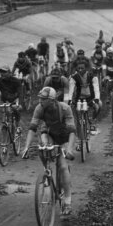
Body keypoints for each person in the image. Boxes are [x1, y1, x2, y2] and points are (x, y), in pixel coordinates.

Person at [22, 87, 76, 215]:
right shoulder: (39, 108)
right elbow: (32, 128)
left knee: (62, 167)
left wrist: (69, 149)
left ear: (52, 100)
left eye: (43, 99)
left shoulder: (64, 108)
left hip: (64, 137)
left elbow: (72, 132)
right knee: (43, 147)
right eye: (40, 98)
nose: (40, 100)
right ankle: (48, 172)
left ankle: (67, 202)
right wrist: (26, 147)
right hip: (49, 134)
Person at [68, 62, 101, 135]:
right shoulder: (74, 77)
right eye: (78, 68)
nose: (80, 70)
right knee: (73, 110)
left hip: (90, 97)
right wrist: (70, 99)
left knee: (98, 106)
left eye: (82, 68)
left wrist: (97, 98)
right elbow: (71, 89)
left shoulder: (91, 76)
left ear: (86, 69)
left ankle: (92, 121)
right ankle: (77, 126)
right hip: (78, 98)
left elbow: (96, 87)